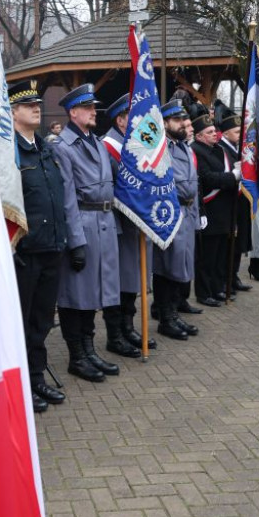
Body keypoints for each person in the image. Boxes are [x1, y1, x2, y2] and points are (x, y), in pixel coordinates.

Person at [52, 84, 122, 381]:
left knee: (94, 293)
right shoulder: (62, 147)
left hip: (104, 223)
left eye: (94, 107)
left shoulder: (95, 141)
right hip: (82, 223)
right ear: (73, 112)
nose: (95, 112)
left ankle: (90, 350)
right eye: (89, 108)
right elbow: (67, 197)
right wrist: (76, 241)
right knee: (75, 295)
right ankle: (77, 356)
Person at [8, 80, 69, 412]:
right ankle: (19, 386)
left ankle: (36, 377)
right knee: (21, 321)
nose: (36, 108)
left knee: (42, 320)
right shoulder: (9, 152)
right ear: (13, 112)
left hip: (50, 248)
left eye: (37, 103)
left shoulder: (45, 148)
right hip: (25, 252)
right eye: (28, 104)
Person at [101, 94, 152, 357]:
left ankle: (129, 327)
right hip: (119, 224)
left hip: (136, 224)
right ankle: (115, 334)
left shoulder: (132, 144)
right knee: (117, 280)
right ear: (121, 120)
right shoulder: (108, 147)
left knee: (133, 277)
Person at [151, 99, 200, 341]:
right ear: (166, 122)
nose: (184, 124)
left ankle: (173, 312)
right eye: (178, 120)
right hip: (169, 213)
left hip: (187, 214)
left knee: (180, 266)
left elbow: (194, 183)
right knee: (166, 268)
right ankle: (165, 318)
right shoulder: (159, 148)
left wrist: (197, 214)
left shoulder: (184, 147)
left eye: (184, 119)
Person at [191, 110, 241, 306]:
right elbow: (208, 178)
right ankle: (204, 293)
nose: (215, 134)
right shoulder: (196, 150)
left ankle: (218, 287)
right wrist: (233, 177)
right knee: (208, 257)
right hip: (210, 210)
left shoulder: (219, 150)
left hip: (225, 210)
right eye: (210, 131)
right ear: (199, 135)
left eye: (214, 130)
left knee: (221, 255)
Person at [217, 112, 253, 290]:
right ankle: (225, 278)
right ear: (225, 133)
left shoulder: (238, 147)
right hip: (229, 200)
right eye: (237, 132)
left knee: (239, 241)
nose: (241, 135)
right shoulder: (221, 149)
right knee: (229, 242)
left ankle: (234, 275)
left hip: (241, 199)